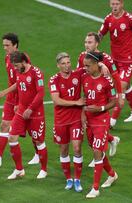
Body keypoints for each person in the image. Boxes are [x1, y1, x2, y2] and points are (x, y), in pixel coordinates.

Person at [0, 33, 39, 167]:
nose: (5, 48)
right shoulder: (7, 58)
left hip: (23, 98)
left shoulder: (23, 59)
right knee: (4, 125)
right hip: (11, 98)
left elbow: (23, 81)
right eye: (3, 45)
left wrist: (7, 94)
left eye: (7, 45)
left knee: (32, 129)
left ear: (15, 45)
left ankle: (38, 154)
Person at [0, 51, 48, 179]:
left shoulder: (36, 73)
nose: (16, 68)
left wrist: (30, 108)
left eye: (17, 65)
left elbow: (40, 93)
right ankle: (19, 169)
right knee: (12, 138)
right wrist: (5, 92)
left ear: (24, 62)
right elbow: (19, 84)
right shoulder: (19, 71)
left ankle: (44, 169)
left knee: (39, 141)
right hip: (21, 111)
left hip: (36, 113)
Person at [99, 0, 132, 127]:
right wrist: (94, 47)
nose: (114, 7)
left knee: (121, 87)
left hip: (128, 60)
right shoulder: (108, 19)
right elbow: (101, 34)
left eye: (117, 4)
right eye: (112, 4)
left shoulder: (130, 19)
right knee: (127, 85)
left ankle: (111, 121)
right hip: (115, 59)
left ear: (122, 4)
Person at [77, 32, 121, 167]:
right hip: (90, 97)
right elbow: (80, 74)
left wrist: (120, 95)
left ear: (97, 44)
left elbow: (116, 76)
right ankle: (112, 140)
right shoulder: (82, 57)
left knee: (97, 129)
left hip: (103, 99)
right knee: (90, 129)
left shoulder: (106, 59)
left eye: (89, 42)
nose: (86, 45)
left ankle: (98, 156)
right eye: (85, 42)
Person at [82, 52, 118, 199]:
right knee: (97, 151)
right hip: (89, 120)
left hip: (101, 120)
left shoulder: (107, 81)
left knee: (97, 151)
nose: (86, 68)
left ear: (97, 64)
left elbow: (114, 100)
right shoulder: (84, 78)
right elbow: (84, 98)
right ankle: (112, 174)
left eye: (88, 65)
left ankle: (95, 188)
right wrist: (83, 115)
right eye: (84, 65)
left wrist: (100, 108)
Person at [49, 52, 86, 192]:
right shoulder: (54, 80)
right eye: (63, 63)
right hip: (61, 120)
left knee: (77, 148)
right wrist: (76, 102)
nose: (66, 66)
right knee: (64, 149)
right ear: (58, 65)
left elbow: (92, 64)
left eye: (68, 62)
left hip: (76, 119)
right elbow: (56, 100)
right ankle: (68, 179)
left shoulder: (78, 74)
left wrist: (101, 65)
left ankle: (77, 179)